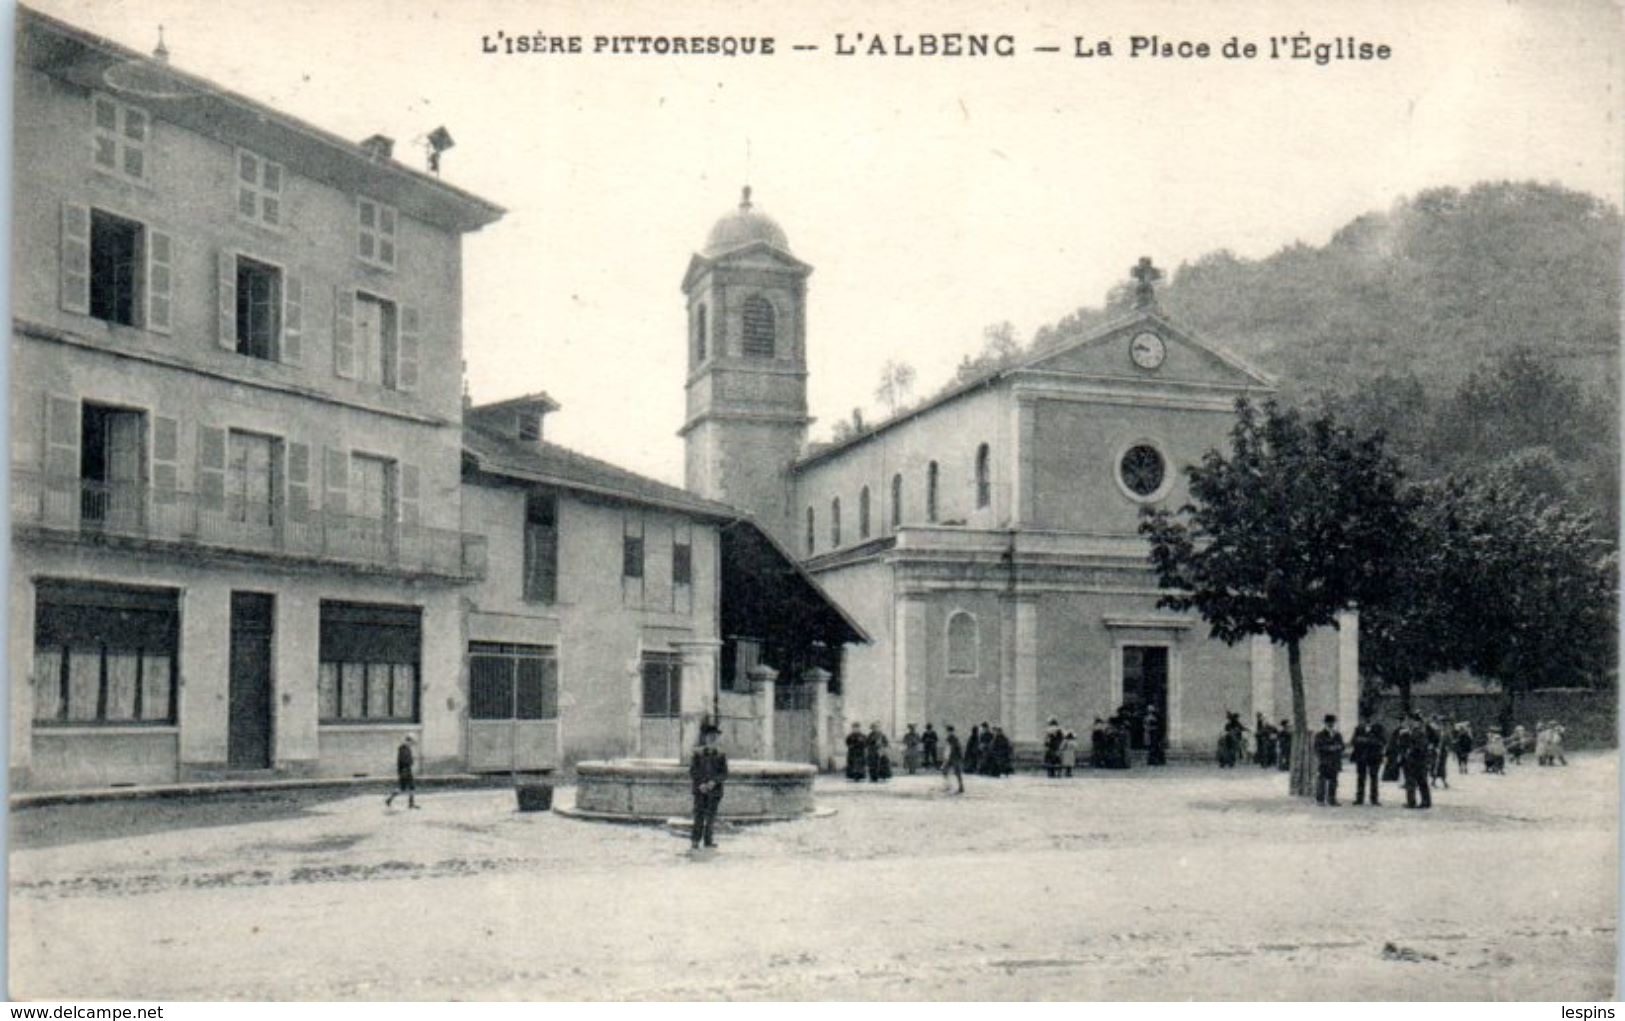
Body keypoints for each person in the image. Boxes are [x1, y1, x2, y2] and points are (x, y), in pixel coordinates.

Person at [689, 723, 729, 850]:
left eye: (715, 736)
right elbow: (693, 771)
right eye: (710, 736)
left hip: (714, 791)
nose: (712, 739)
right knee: (699, 816)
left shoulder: (721, 755)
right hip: (700, 790)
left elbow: (724, 773)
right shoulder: (698, 754)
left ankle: (708, 841)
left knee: (711, 817)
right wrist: (700, 784)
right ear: (705, 738)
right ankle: (695, 840)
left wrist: (714, 782)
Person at [1350, 713, 1385, 806]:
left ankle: (1374, 798)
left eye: (1370, 718)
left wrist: (1366, 741)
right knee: (1361, 778)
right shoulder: (1359, 728)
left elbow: (1382, 741)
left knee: (1374, 778)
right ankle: (1359, 798)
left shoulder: (1379, 728)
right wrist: (1364, 741)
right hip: (1361, 757)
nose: (1368, 720)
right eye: (1366, 718)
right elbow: (1353, 741)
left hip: (1374, 757)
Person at [1398, 713, 1433, 810]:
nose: (1410, 723)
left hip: (1419, 761)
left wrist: (1410, 750)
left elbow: (1421, 746)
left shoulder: (1420, 732)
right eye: (1409, 721)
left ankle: (1425, 801)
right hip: (1410, 761)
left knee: (1421, 781)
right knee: (1410, 781)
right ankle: (1411, 801)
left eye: (1412, 721)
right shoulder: (1407, 732)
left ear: (1417, 722)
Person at [1313, 714, 1345, 806]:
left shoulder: (1338, 734)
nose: (1330, 724)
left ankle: (1332, 799)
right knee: (1322, 781)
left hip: (1335, 761)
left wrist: (1338, 747)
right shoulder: (1319, 735)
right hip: (1324, 761)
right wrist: (1330, 748)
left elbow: (1342, 746)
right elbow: (1317, 747)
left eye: (1332, 723)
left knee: (1334, 781)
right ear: (1325, 723)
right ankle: (1320, 800)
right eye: (1328, 723)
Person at [385, 734, 419, 809]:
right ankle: (389, 799)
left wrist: (411, 761)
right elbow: (404, 761)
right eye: (411, 742)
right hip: (404, 770)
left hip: (407, 770)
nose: (412, 744)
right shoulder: (403, 749)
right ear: (408, 741)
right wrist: (410, 762)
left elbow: (409, 760)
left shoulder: (407, 748)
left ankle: (411, 803)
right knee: (402, 788)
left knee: (411, 787)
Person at [941, 724, 965, 794]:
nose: (947, 732)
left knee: (956, 773)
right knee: (945, 771)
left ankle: (960, 787)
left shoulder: (952, 738)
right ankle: (949, 786)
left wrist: (946, 757)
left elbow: (951, 748)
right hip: (952, 757)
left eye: (948, 731)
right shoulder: (952, 738)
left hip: (954, 758)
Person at [1429, 715, 1450, 790]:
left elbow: (1448, 740)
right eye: (1442, 722)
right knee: (1436, 766)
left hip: (1443, 751)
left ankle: (1439, 781)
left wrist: (1447, 746)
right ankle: (1436, 781)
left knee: (1441, 766)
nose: (1444, 724)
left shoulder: (1446, 730)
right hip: (1437, 750)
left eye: (1445, 722)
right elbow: (1435, 740)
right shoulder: (1438, 730)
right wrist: (1435, 747)